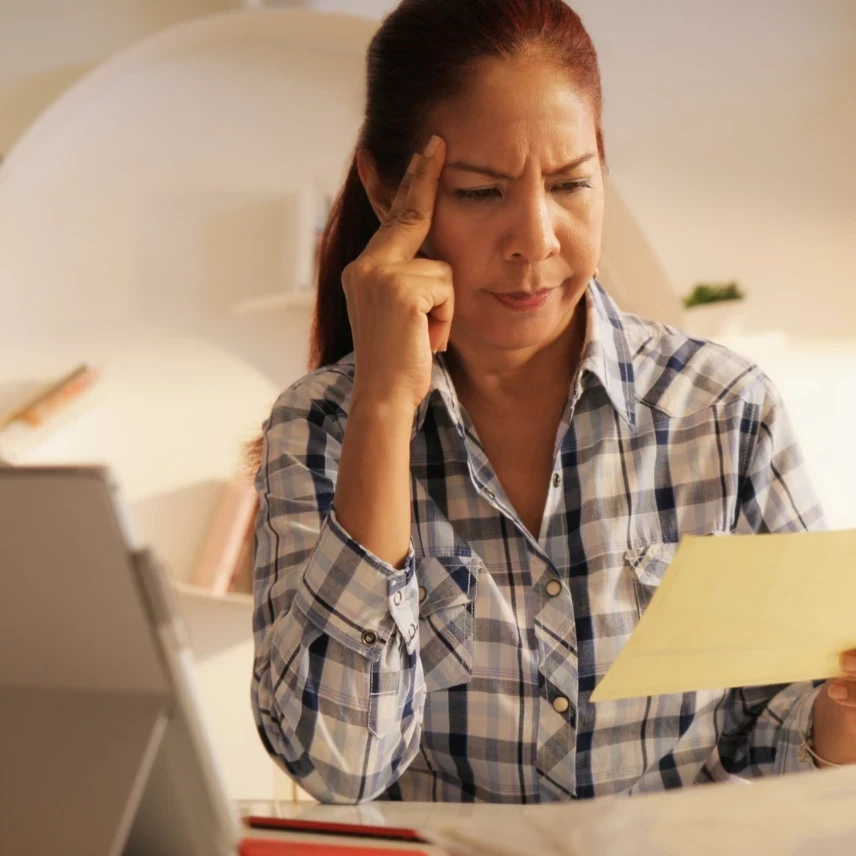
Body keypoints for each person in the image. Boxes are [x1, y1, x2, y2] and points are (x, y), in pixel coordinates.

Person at [250, 0, 856, 804]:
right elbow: (337, 767)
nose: (535, 238)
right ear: (387, 187)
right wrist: (385, 410)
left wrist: (838, 718)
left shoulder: (726, 411)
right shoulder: (320, 428)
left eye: (571, 182)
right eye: (478, 191)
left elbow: (776, 729)